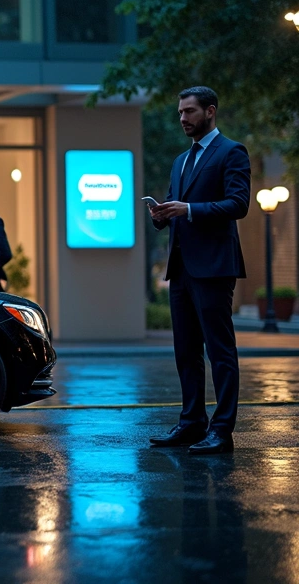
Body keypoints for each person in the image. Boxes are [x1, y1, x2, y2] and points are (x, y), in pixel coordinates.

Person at [148, 86, 249, 455]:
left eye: (189, 112)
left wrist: (188, 209)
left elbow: (238, 204)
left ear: (210, 111)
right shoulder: (180, 160)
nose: (182, 119)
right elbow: (177, 209)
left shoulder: (231, 151)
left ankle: (222, 431)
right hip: (181, 268)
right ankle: (192, 423)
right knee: (186, 351)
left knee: (221, 352)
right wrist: (162, 216)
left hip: (213, 268)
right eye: (179, 113)